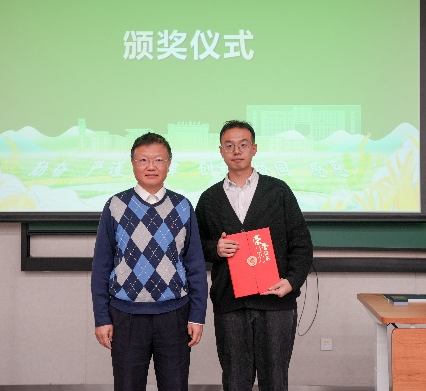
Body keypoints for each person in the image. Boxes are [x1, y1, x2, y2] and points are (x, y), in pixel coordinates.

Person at [195, 120, 313, 391]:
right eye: (229, 145)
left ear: (254, 149)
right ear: (221, 151)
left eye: (243, 145)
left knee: (275, 380)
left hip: (275, 301)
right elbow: (194, 246)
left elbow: (302, 243)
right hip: (230, 303)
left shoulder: (278, 191)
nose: (236, 151)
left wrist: (292, 282)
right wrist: (215, 249)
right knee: (235, 379)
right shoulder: (209, 199)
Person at [91, 132, 208, 391]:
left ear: (169, 163)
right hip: (126, 316)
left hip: (174, 315)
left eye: (158, 159)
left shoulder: (182, 206)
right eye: (143, 160)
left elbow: (195, 266)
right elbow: (101, 266)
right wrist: (101, 317)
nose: (151, 166)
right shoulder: (115, 205)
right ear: (132, 163)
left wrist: (197, 316)